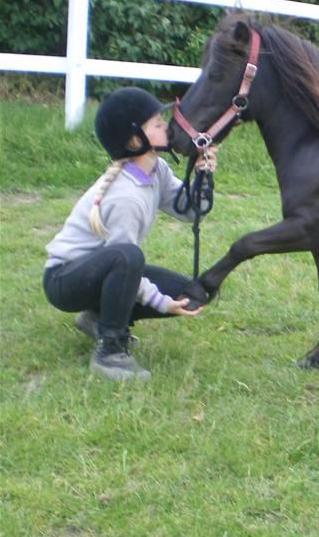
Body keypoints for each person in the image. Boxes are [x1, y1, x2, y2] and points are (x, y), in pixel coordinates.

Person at [43, 87, 214, 381]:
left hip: (102, 270)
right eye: (157, 122)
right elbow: (124, 262)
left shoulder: (156, 169)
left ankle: (97, 317)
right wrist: (160, 302)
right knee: (128, 255)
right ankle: (110, 352)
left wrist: (203, 175)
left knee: (192, 295)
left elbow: (188, 211)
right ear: (136, 140)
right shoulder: (126, 198)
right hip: (65, 280)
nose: (165, 125)